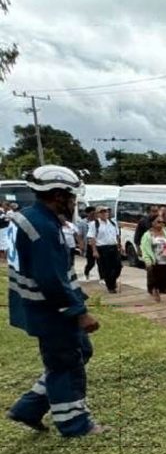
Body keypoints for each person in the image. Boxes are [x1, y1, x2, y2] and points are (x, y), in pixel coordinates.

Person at [6, 165, 109, 437]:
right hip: (50, 310)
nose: (74, 203)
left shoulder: (29, 219)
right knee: (66, 362)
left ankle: (29, 407)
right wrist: (78, 312)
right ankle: (74, 424)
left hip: (39, 307)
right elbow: (51, 279)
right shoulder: (42, 228)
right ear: (58, 195)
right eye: (72, 197)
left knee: (79, 352)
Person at [86, 205, 123, 294]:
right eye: (102, 212)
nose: (104, 213)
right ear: (98, 214)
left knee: (118, 266)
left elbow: (117, 235)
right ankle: (111, 287)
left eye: (106, 211)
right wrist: (94, 250)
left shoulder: (113, 223)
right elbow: (92, 238)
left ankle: (112, 282)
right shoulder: (94, 224)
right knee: (106, 269)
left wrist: (119, 245)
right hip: (102, 248)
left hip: (113, 247)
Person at [140, 216, 166, 303]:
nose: (161, 223)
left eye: (162, 222)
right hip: (156, 261)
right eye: (158, 222)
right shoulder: (147, 235)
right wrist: (148, 261)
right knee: (155, 279)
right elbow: (145, 249)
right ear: (152, 223)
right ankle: (156, 292)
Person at [76, 206, 97, 279]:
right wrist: (81, 245)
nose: (93, 215)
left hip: (99, 244)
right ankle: (87, 272)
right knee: (91, 263)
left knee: (102, 263)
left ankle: (103, 277)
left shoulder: (97, 221)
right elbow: (79, 235)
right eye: (92, 214)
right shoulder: (82, 223)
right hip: (88, 245)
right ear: (87, 214)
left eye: (94, 213)